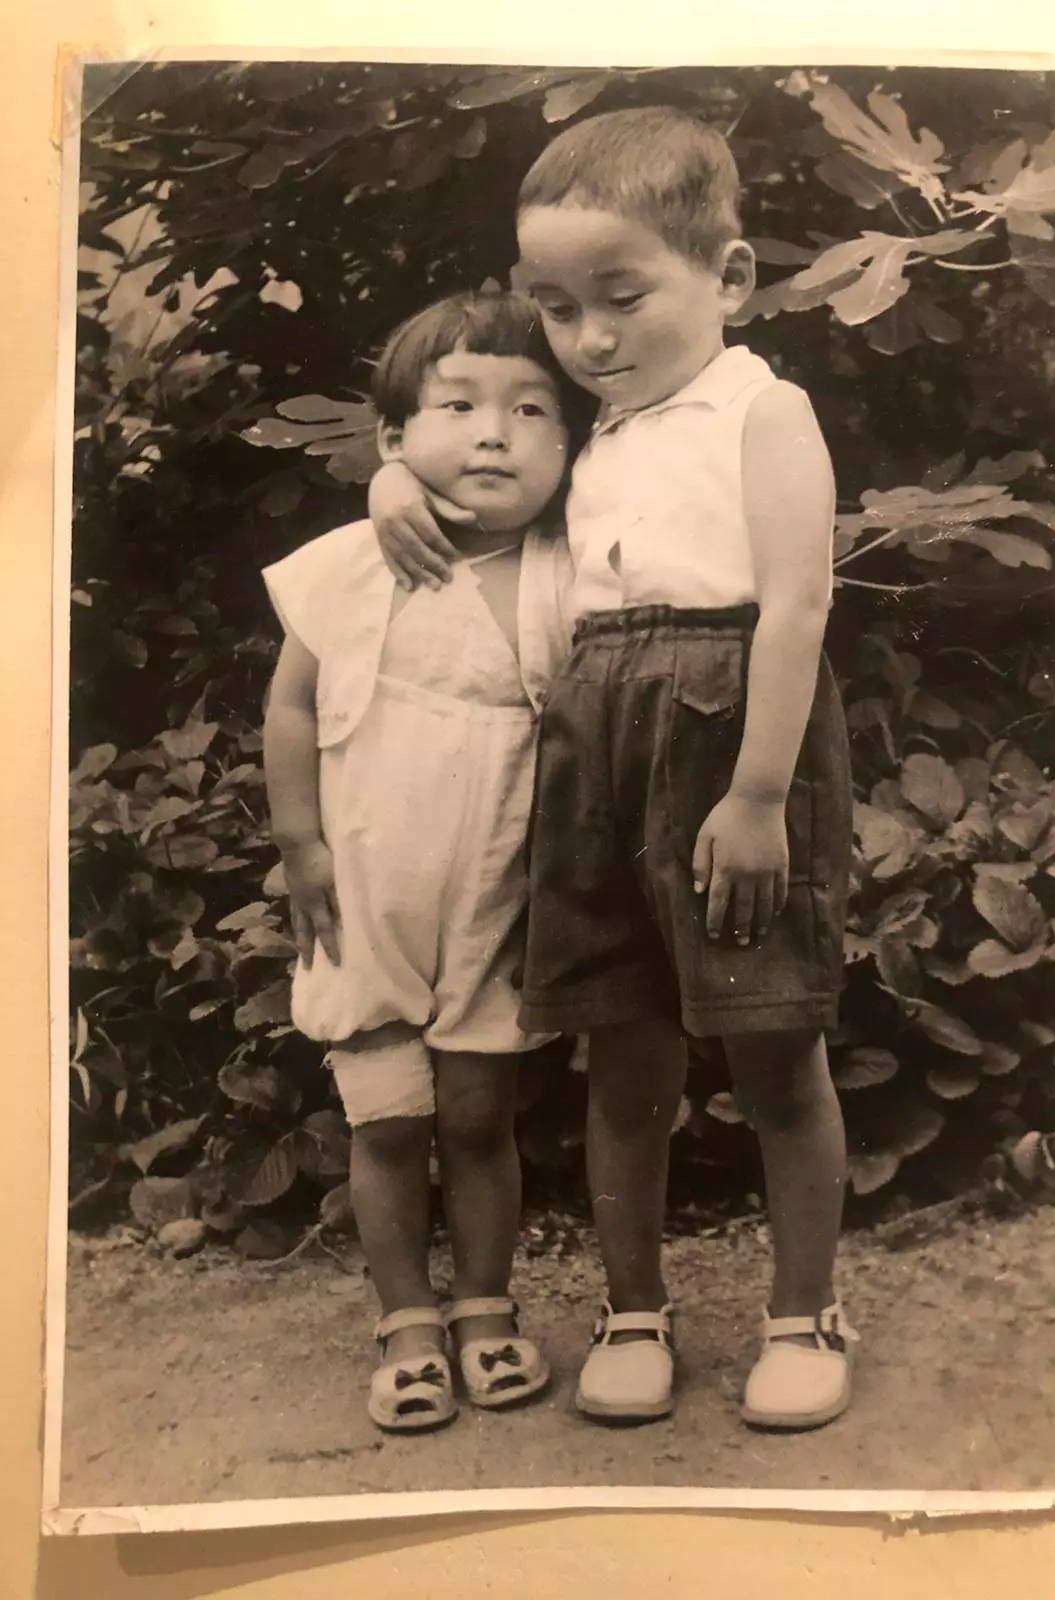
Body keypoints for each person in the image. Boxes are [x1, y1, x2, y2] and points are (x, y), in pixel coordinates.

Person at [369, 106, 857, 1431]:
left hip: (730, 750)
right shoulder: (589, 433)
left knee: (770, 1048)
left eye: (621, 297)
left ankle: (806, 1313)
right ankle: (631, 1311)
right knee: (622, 1054)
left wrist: (758, 797)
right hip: (598, 760)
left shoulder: (765, 410)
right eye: (558, 306)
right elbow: (455, 464)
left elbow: (798, 609)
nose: (587, 337)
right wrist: (385, 489)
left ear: (732, 279)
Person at [262, 290, 575, 1433]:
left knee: (481, 1115)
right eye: (460, 404)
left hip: (501, 902)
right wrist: (299, 841)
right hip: (365, 904)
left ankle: (486, 1308)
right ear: (393, 440)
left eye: (532, 408)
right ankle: (404, 1320)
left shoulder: (567, 568)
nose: (495, 430)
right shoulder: (352, 560)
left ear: (570, 446)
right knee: (386, 1121)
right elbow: (291, 708)